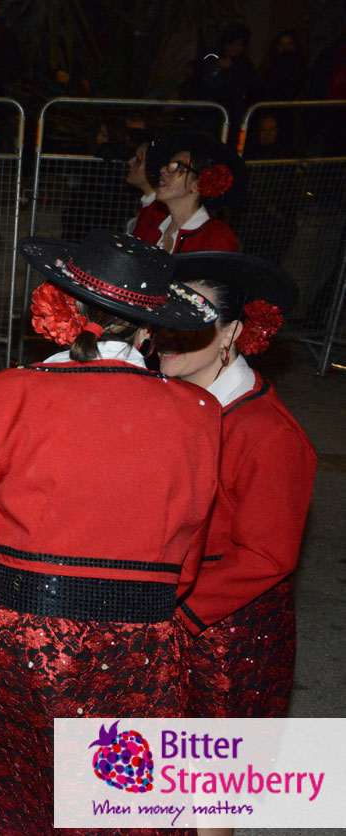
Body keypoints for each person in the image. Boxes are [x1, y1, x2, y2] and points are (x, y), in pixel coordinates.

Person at [0, 230, 223, 836]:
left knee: (1, 805)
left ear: (63, 309)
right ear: (149, 328)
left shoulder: (8, 394)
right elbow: (188, 546)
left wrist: (12, 580)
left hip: (24, 631)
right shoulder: (200, 412)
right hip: (138, 643)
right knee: (116, 808)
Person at [157, 252, 314, 731]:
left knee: (209, 783)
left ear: (231, 333)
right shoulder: (171, 397)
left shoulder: (267, 433)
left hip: (220, 637)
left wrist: (174, 616)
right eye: (169, 313)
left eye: (197, 318)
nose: (173, 330)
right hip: (170, 614)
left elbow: (267, 556)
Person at [135, 131, 244, 254]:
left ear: (197, 185)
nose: (163, 170)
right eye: (168, 165)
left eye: (177, 167)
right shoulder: (155, 227)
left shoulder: (217, 239)